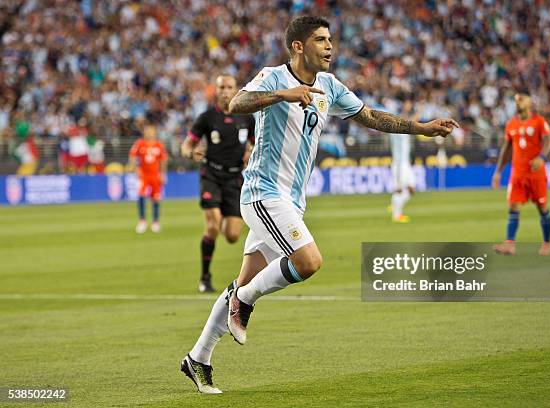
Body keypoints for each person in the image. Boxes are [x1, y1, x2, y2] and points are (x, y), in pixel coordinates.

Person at [180, 16, 458, 394]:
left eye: (330, 39)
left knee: (243, 281)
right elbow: (236, 102)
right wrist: (282, 95)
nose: (330, 46)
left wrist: (420, 128)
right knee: (308, 260)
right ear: (298, 46)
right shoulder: (274, 77)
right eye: (321, 40)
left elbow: (370, 116)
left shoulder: (329, 85)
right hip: (263, 192)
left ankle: (198, 358)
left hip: (292, 200)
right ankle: (243, 302)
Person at [181, 75, 255, 293]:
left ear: (236, 90)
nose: (225, 91)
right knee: (212, 225)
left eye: (229, 87)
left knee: (232, 236)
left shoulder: (246, 118)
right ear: (216, 90)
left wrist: (250, 152)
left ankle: (221, 219)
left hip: (235, 178)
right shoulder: (207, 118)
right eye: (222, 87)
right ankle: (205, 276)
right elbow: (187, 144)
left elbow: (255, 142)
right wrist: (190, 152)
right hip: (211, 175)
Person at [491, 92, 550, 256]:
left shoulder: (539, 122)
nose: (518, 102)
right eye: (516, 100)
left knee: (542, 208)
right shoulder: (511, 124)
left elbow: (548, 141)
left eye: (521, 99)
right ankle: (509, 244)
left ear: (529, 102)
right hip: (517, 174)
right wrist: (497, 172)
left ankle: (547, 243)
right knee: (513, 206)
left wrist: (542, 157)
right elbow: (506, 150)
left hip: (535, 174)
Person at [129, 123, 168, 234]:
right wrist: (136, 169)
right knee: (141, 196)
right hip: (144, 175)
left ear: (155, 132)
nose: (150, 133)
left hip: (155, 175)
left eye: (151, 131)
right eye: (147, 131)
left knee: (156, 198)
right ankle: (142, 221)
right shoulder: (140, 144)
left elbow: (163, 160)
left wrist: (163, 174)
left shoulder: (159, 145)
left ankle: (155, 222)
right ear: (144, 132)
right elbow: (132, 155)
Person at [389, 101, 421, 223]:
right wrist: (412, 110)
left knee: (411, 189)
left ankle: (395, 206)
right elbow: (411, 121)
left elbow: (411, 121)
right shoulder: (396, 130)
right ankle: (397, 215)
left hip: (405, 164)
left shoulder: (401, 128)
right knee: (400, 190)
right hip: (399, 165)